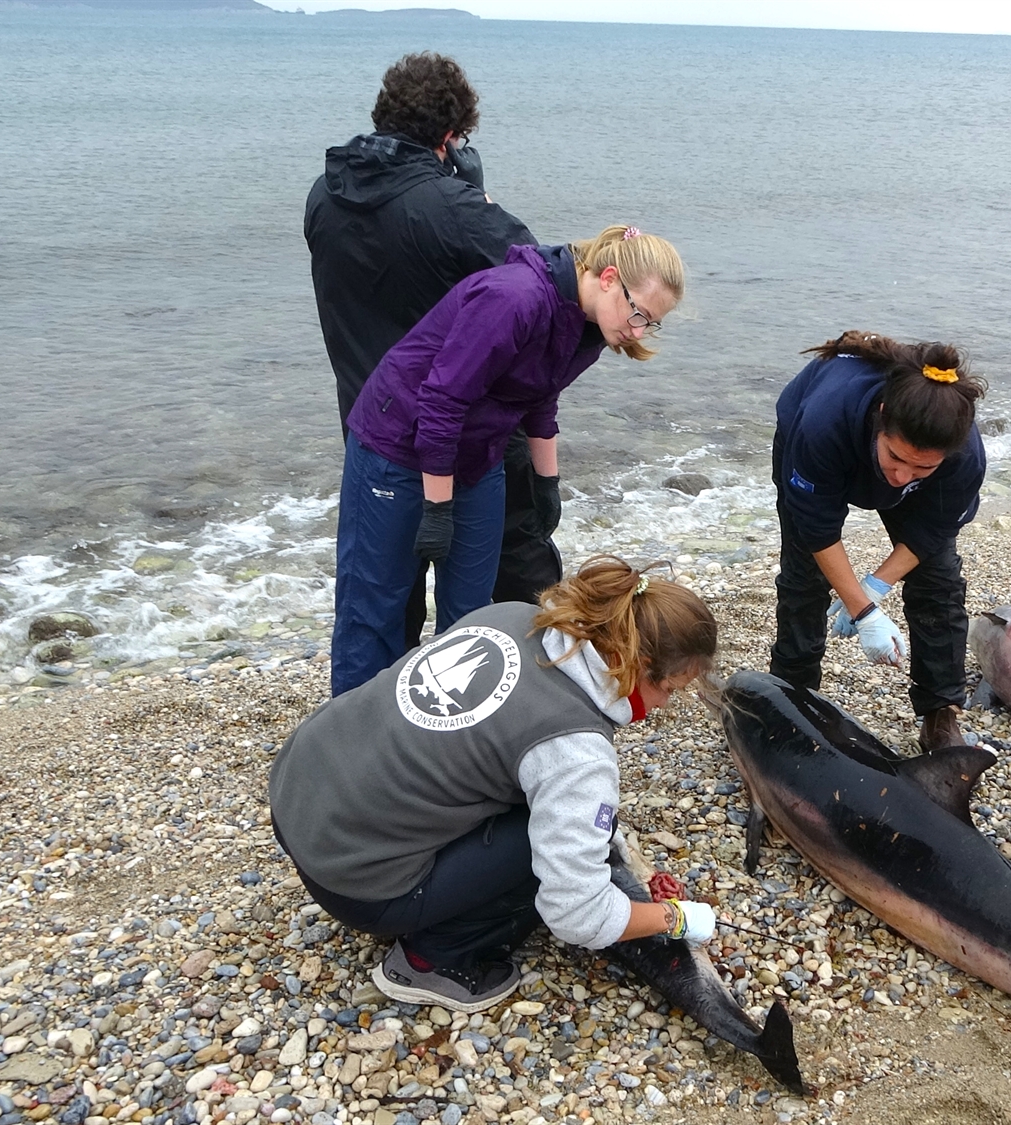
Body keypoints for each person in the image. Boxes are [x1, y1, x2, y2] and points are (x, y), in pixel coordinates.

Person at [269, 557, 722, 1012]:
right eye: (671, 689)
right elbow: (578, 914)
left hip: (295, 799)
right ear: (637, 664)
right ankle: (434, 960)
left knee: (564, 811)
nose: (665, 705)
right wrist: (675, 918)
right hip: (354, 882)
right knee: (543, 845)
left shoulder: (513, 615)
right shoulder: (576, 749)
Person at [330, 226, 685, 696]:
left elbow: (541, 398)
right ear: (608, 278)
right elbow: (441, 400)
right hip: (396, 448)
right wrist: (438, 507)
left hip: (479, 457)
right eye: (638, 313)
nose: (637, 331)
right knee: (375, 609)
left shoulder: (592, 326)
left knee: (472, 612)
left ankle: (453, 725)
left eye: (650, 323)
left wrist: (546, 482)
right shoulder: (513, 298)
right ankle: (354, 729)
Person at [304, 51, 560, 647]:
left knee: (379, 599)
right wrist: (475, 195)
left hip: (369, 426)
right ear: (450, 135)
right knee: (510, 588)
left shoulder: (324, 193)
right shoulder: (456, 209)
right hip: (471, 436)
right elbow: (540, 288)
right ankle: (518, 694)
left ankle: (380, 701)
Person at [769, 331, 987, 752]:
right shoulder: (824, 421)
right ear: (882, 416)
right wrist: (864, 611)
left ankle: (940, 714)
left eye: (922, 468)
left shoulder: (963, 456)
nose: (902, 477)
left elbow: (932, 530)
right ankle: (793, 699)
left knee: (939, 581)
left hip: (897, 459)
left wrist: (874, 587)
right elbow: (816, 527)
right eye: (896, 457)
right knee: (804, 579)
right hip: (818, 441)